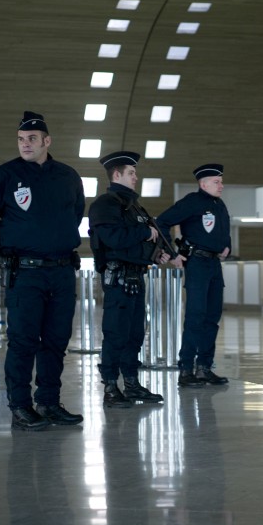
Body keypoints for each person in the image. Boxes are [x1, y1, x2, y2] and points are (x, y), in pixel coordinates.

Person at [0, 111, 86, 430]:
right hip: (25, 273)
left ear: (46, 141)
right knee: (24, 340)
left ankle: (49, 402)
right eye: (21, 140)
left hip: (63, 271)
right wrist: (2, 249)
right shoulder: (5, 177)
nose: (25, 144)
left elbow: (76, 214)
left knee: (56, 339)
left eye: (32, 139)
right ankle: (21, 405)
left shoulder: (68, 176)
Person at [88, 151, 170, 407]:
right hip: (118, 277)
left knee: (135, 334)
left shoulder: (134, 206)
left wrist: (155, 255)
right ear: (116, 175)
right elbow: (113, 239)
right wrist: (144, 232)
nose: (136, 177)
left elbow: (140, 242)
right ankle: (111, 387)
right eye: (131, 173)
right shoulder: (106, 204)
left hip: (137, 275)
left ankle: (132, 383)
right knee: (116, 333)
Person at [156, 163, 232, 387]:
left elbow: (223, 231)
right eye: (217, 182)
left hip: (214, 265)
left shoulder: (220, 205)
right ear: (203, 183)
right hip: (197, 263)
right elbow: (162, 222)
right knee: (196, 318)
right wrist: (172, 253)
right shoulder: (192, 202)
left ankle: (204, 367)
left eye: (221, 181)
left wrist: (227, 246)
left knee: (212, 317)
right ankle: (186, 369)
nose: (221, 185)